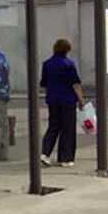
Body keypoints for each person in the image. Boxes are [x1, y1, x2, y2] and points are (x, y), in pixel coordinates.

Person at [40, 38, 86, 168]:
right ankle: (65, 158)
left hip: (53, 100)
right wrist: (81, 100)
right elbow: (75, 84)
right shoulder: (69, 64)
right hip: (68, 100)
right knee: (67, 129)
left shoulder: (47, 64)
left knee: (53, 126)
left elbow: (44, 83)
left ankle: (45, 153)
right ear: (67, 50)